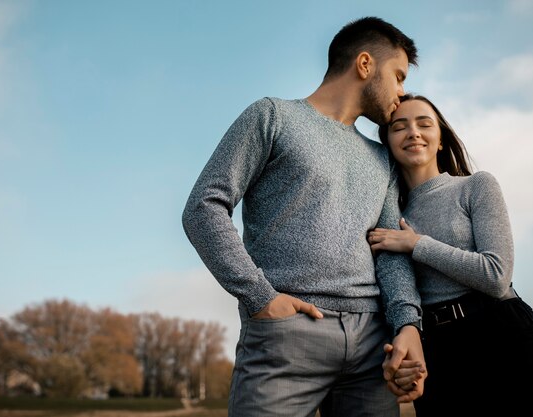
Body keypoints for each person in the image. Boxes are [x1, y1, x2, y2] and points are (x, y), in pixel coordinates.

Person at [182, 17, 427, 417]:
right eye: (398, 76)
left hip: (371, 344)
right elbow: (203, 207)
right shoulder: (273, 117)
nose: (402, 92)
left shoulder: (383, 159)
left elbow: (389, 250)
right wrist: (260, 298)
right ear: (365, 64)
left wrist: (407, 326)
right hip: (287, 336)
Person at [369, 94, 533, 417]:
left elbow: (496, 275)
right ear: (388, 142)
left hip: (503, 334)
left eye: (424, 124)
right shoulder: (389, 219)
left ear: (439, 139)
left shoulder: (476, 186)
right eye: (399, 127)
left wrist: (416, 244)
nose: (413, 132)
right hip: (438, 349)